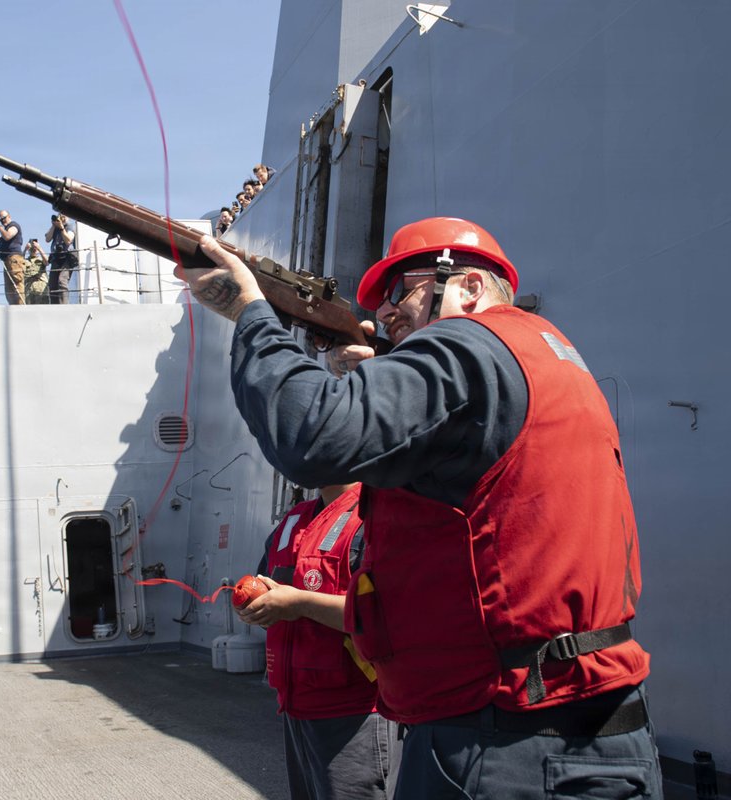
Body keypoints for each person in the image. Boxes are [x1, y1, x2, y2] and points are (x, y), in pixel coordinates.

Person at [177, 216, 662, 799]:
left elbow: (309, 437)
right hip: (599, 729)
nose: (384, 313)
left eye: (401, 291)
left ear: (468, 288)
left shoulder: (466, 344)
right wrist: (383, 380)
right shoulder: (550, 360)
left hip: (501, 744)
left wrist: (251, 311)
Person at [236, 482, 399, 800]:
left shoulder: (374, 518)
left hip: (357, 714)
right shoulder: (291, 523)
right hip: (297, 712)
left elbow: (386, 618)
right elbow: (270, 588)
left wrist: (298, 604)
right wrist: (257, 607)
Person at [45, 213, 79, 304]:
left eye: (63, 216)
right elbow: (47, 239)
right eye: (60, 217)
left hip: (67, 257)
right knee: (52, 284)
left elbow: (68, 240)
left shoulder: (71, 226)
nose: (62, 219)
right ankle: (55, 306)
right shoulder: (55, 228)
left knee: (62, 281)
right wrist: (53, 225)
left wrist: (61, 228)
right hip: (56, 258)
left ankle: (63, 305)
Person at [0, 210, 25, 305]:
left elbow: (7, 236)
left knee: (17, 284)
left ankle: (20, 306)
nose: (3, 220)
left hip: (14, 258)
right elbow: (3, 237)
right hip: (6, 259)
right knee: (8, 288)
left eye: (4, 218)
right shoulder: (4, 229)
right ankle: (13, 307)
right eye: (1, 219)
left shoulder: (14, 225)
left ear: (9, 216)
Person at [23, 238, 50, 304]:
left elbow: (47, 262)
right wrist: (25, 249)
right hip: (29, 289)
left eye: (35, 248)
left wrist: (39, 248)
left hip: (41, 288)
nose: (33, 249)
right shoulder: (25, 261)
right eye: (32, 248)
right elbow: (19, 264)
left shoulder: (41, 259)